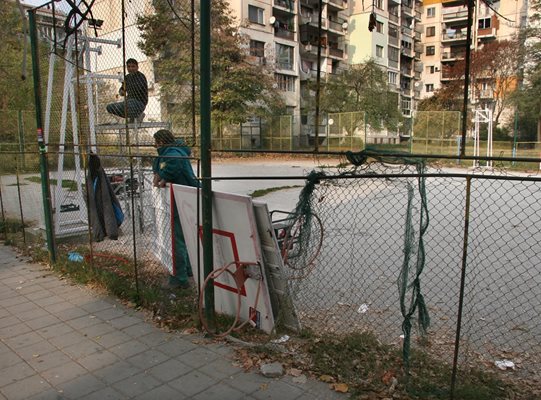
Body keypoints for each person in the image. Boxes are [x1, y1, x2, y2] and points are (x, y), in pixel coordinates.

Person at [152, 129, 199, 289]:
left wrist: (163, 174)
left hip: (180, 198)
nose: (155, 146)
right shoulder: (174, 150)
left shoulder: (172, 153)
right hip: (185, 196)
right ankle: (188, 269)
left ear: (160, 142)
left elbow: (171, 165)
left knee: (176, 237)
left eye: (156, 143)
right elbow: (161, 164)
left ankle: (180, 278)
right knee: (183, 235)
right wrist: (160, 173)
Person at [106, 58, 148, 122]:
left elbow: (136, 88)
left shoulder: (140, 76)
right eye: (129, 67)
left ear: (137, 67)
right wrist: (122, 88)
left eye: (133, 66)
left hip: (139, 102)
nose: (131, 69)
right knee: (109, 107)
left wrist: (125, 84)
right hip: (128, 103)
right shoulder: (127, 77)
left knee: (129, 104)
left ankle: (137, 115)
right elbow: (122, 92)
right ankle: (133, 116)